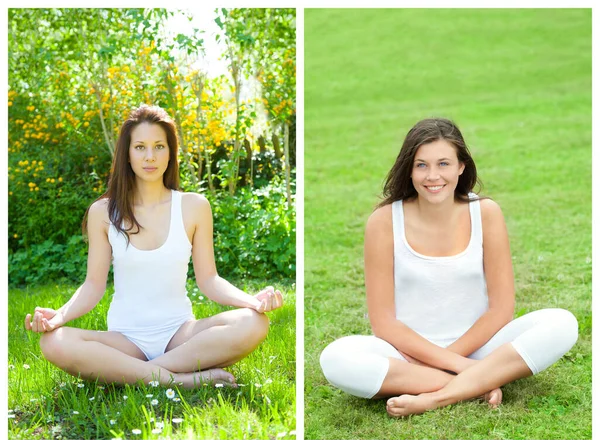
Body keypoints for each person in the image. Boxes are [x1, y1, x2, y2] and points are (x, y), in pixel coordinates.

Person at [319, 118, 578, 417]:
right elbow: (384, 323)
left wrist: (450, 358)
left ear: (461, 167)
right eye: (421, 165)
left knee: (562, 323)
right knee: (336, 359)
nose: (433, 176)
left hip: (481, 349)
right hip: (407, 355)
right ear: (409, 169)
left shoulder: (485, 213)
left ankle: (436, 397)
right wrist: (460, 367)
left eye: (443, 163)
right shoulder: (384, 221)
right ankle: (478, 383)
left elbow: (501, 310)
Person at [24, 104, 284, 389]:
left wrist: (253, 302)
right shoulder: (103, 212)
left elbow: (209, 280)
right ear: (127, 153)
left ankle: (134, 375)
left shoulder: (194, 207)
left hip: (181, 337)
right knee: (53, 342)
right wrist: (60, 315)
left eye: (159, 146)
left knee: (255, 323)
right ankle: (180, 381)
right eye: (140, 147)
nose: (150, 156)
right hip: (125, 340)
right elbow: (93, 285)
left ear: (170, 152)